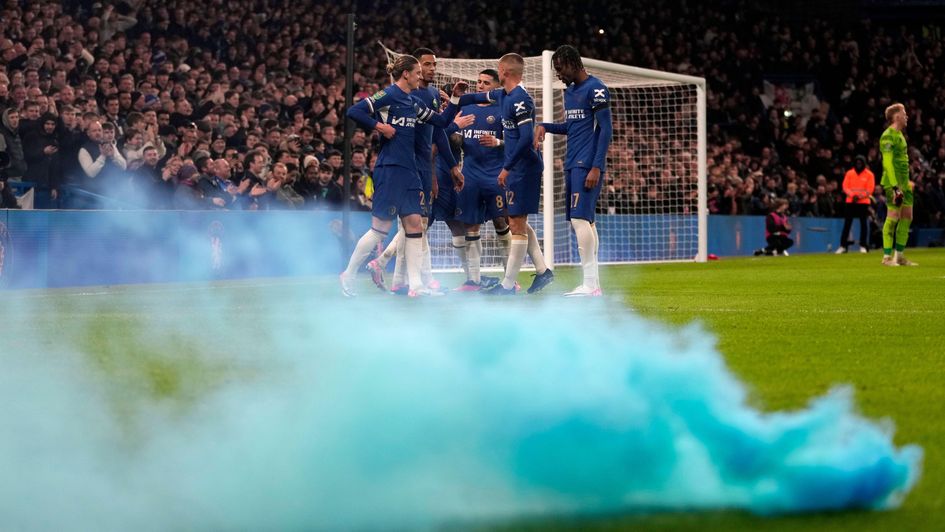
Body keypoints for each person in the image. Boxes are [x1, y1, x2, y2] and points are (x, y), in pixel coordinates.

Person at [340, 54, 466, 297]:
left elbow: (440, 122)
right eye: (417, 72)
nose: (420, 76)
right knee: (380, 230)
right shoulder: (388, 95)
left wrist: (455, 98)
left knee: (415, 225)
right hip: (390, 169)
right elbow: (354, 111)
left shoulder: (412, 102)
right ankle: (349, 273)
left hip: (410, 171)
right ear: (406, 74)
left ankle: (416, 285)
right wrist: (379, 126)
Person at [536, 45, 612, 296]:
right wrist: (545, 126)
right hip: (572, 163)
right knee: (586, 221)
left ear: (572, 63)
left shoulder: (596, 88)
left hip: (587, 164)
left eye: (560, 69)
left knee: (580, 220)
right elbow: (571, 127)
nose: (558, 74)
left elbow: (606, 129)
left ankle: (590, 284)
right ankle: (594, 284)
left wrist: (596, 166)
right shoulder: (569, 92)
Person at [475, 53, 554, 295]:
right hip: (517, 168)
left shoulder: (521, 99)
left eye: (498, 70)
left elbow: (526, 139)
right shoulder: (505, 95)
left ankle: (508, 285)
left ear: (504, 71)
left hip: (524, 168)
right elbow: (475, 97)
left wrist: (506, 168)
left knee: (516, 224)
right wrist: (456, 98)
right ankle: (543, 271)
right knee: (517, 221)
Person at [451, 68, 512, 291]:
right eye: (478, 82)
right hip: (471, 175)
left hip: (495, 175)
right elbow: (456, 141)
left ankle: (510, 280)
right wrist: (454, 128)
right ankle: (474, 281)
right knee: (471, 226)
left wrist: (498, 142)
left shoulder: (503, 109)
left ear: (496, 87)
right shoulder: (466, 108)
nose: (480, 85)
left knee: (501, 223)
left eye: (486, 83)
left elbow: (516, 141)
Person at [879, 103, 917, 266]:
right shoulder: (888, 136)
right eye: (904, 113)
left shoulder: (900, 134)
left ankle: (899, 256)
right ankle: (887, 257)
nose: (906, 116)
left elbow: (901, 162)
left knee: (907, 217)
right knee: (893, 217)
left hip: (904, 183)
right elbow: (887, 163)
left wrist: (906, 182)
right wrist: (895, 187)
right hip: (893, 183)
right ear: (897, 116)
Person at [835, 155, 874, 254]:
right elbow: (845, 186)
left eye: (860, 163)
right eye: (857, 163)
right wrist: (853, 196)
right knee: (847, 224)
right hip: (850, 202)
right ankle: (843, 246)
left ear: (864, 163)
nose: (858, 164)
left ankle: (863, 245)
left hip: (863, 202)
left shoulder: (869, 174)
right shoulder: (849, 173)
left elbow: (870, 189)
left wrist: (860, 196)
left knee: (863, 224)